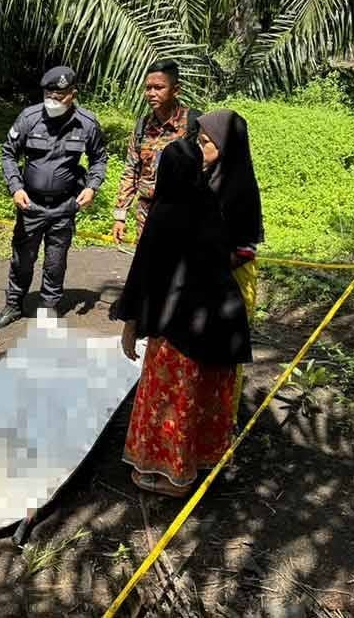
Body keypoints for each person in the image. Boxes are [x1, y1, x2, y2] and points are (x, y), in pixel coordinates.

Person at [114, 137, 252, 497]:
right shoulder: (211, 206)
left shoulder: (165, 213)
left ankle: (174, 477)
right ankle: (200, 462)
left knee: (171, 400)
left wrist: (130, 326)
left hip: (178, 330)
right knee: (202, 397)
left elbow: (143, 275)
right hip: (218, 327)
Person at [0, 66, 108, 329]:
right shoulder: (30, 117)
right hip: (30, 204)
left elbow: (99, 159)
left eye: (59, 95)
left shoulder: (86, 123)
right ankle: (14, 304)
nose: (53, 100)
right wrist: (16, 188)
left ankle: (48, 308)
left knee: (55, 262)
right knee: (23, 259)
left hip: (64, 205)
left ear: (73, 94)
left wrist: (92, 187)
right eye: (48, 94)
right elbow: (8, 153)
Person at [196, 109, 264, 421]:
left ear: (223, 144)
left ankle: (224, 423)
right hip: (203, 278)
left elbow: (245, 248)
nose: (199, 149)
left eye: (205, 143)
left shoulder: (241, 190)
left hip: (232, 282)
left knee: (225, 356)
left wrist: (206, 264)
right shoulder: (203, 178)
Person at [112, 59, 202, 243]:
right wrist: (120, 216)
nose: (152, 93)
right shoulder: (142, 126)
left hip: (183, 215)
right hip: (147, 216)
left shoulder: (194, 124)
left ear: (176, 90)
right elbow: (131, 171)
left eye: (159, 88)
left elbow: (210, 170)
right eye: (148, 88)